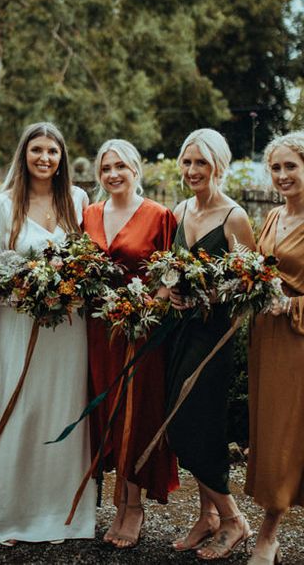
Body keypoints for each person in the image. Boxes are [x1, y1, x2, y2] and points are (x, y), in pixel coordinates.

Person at [0, 122, 95, 544]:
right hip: (17, 325)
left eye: (53, 151)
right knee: (18, 411)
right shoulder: (0, 203)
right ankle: (9, 513)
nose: (45, 158)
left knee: (61, 410)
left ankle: (58, 513)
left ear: (62, 157)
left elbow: (84, 261)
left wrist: (66, 289)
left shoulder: (77, 199)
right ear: (24, 154)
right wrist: (28, 291)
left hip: (68, 329)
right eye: (37, 150)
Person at [83, 139, 179, 549]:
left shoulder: (160, 216)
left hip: (141, 328)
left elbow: (170, 273)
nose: (113, 174)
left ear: (136, 169)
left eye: (121, 166)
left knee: (135, 410)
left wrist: (145, 306)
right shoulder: (89, 213)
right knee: (106, 409)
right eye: (106, 168)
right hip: (98, 330)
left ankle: (133, 504)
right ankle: (118, 498)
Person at [165, 128, 256, 560]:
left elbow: (250, 281)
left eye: (202, 162)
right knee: (184, 421)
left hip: (216, 336)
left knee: (194, 424)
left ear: (218, 164)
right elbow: (169, 270)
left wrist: (213, 293)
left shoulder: (234, 216)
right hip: (181, 330)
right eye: (187, 162)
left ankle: (233, 518)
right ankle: (208, 516)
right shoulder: (181, 209)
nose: (193, 170)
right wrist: (174, 292)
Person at [245, 131, 304, 565]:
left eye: (291, 167)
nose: (282, 175)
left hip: (299, 341)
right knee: (270, 435)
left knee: (290, 435)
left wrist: (294, 304)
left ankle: (268, 534)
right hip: (266, 338)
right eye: (277, 168)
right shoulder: (273, 218)